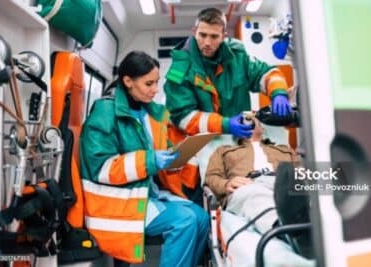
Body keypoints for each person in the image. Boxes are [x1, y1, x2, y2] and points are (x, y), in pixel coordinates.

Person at [79, 51, 209, 266]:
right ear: (128, 81)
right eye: (149, 84)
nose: (155, 90)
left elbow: (156, 148)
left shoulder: (152, 113)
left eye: (157, 82)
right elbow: (100, 168)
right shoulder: (105, 112)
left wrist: (176, 155)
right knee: (185, 222)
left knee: (202, 218)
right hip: (118, 202)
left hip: (146, 192)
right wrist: (151, 161)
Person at [164, 7, 292, 139]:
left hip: (240, 138)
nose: (207, 42)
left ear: (223, 37)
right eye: (202, 35)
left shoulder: (238, 57)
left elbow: (267, 73)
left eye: (214, 36)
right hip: (202, 145)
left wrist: (279, 93)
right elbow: (183, 117)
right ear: (194, 32)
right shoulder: (179, 70)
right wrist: (225, 125)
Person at [205, 117, 297, 233]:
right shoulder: (223, 151)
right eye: (245, 119)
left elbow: (303, 172)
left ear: (262, 128)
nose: (249, 119)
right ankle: (286, 231)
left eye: (254, 118)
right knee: (255, 195)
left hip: (283, 182)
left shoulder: (285, 149)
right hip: (248, 185)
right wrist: (226, 184)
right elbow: (211, 177)